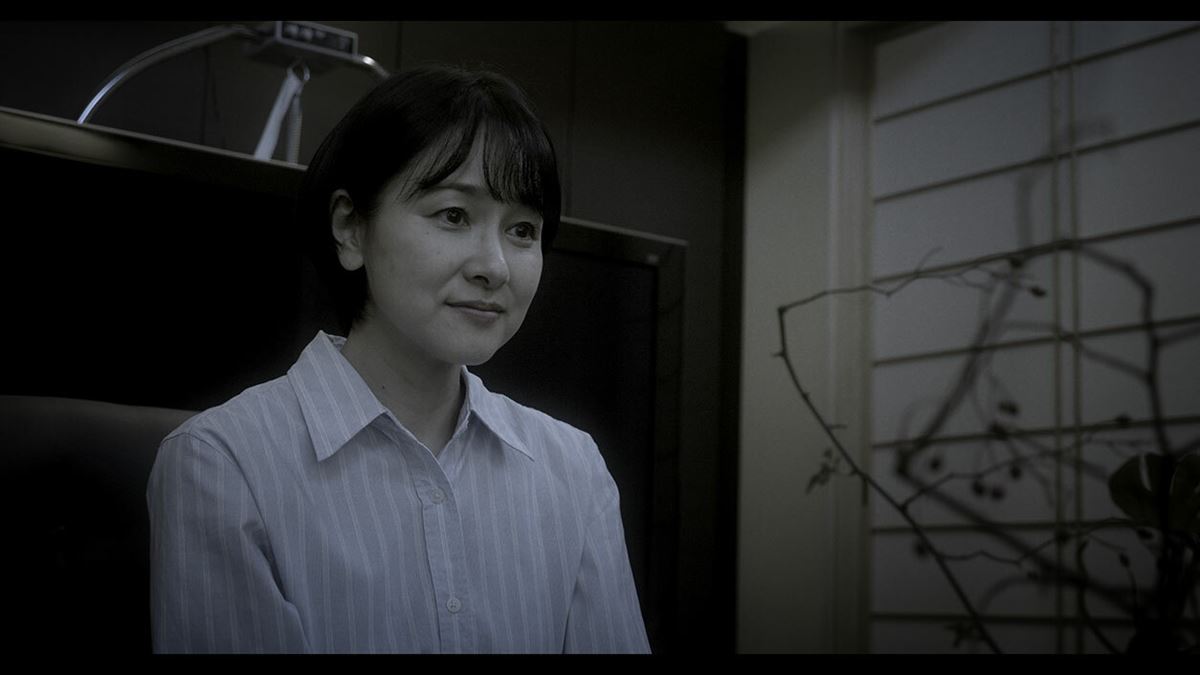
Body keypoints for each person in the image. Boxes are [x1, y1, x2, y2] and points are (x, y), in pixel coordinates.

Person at [146, 65, 650, 654]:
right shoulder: (223, 462)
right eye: (453, 215)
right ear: (351, 229)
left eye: (522, 230)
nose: (495, 266)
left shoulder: (575, 469)